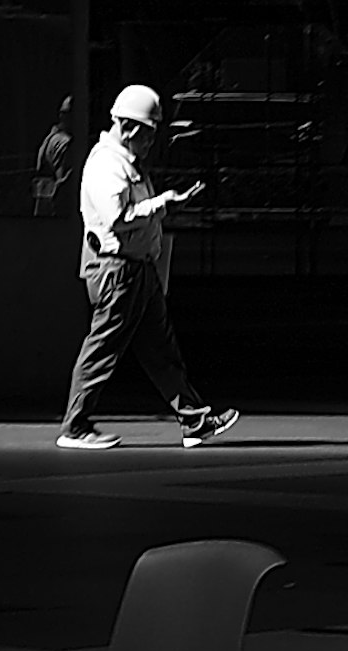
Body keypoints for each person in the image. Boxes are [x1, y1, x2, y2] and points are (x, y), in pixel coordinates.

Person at [57, 84, 236, 449]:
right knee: (103, 348)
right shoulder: (108, 164)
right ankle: (74, 428)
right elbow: (118, 219)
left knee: (160, 348)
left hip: (136, 270)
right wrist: (162, 203)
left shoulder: (125, 163)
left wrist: (164, 206)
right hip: (117, 271)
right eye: (149, 133)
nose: (152, 141)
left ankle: (194, 420)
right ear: (128, 127)